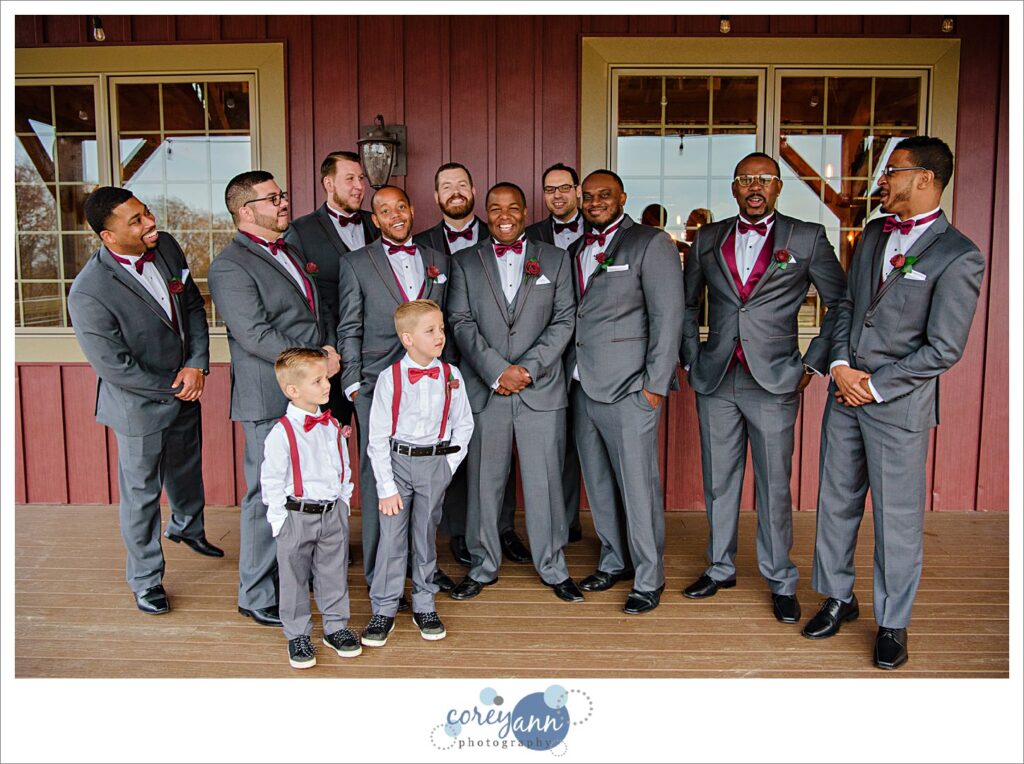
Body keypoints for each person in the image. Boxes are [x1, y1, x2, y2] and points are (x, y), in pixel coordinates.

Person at [804, 136, 985, 670]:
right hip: (845, 393)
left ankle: (892, 622)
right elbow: (847, 305)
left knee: (897, 517)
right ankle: (838, 596)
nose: (882, 180)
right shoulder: (873, 233)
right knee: (835, 502)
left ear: (925, 178)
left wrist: (875, 385)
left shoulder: (960, 255)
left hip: (897, 405)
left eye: (893, 171)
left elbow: (943, 348)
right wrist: (840, 365)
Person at [680, 151, 848, 624]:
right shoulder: (708, 238)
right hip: (716, 377)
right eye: (745, 179)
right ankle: (720, 567)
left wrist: (812, 363)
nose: (755, 186)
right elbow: (687, 303)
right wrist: (691, 357)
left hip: (775, 379)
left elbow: (841, 303)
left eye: (764, 179)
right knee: (718, 481)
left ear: (778, 187)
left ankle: (780, 579)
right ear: (734, 188)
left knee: (774, 485)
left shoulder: (806, 237)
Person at [70, 187, 222, 615]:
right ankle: (146, 580)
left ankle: (187, 528)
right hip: (138, 405)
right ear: (108, 236)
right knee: (141, 495)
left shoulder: (167, 246)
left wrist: (196, 364)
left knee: (187, 468)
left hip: (185, 385)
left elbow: (191, 306)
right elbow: (114, 366)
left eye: (147, 212)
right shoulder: (89, 291)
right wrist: (177, 385)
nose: (149, 222)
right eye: (135, 221)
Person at [208, 170, 340, 627]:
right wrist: (316, 361)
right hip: (269, 395)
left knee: (303, 489)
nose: (284, 202)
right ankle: (256, 592)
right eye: (273, 198)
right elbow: (255, 334)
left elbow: (314, 312)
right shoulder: (229, 266)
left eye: (282, 195)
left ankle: (290, 579)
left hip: (307, 394)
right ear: (246, 211)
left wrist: (327, 347)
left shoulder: (291, 250)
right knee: (268, 495)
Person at [447, 183, 583, 603]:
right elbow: (460, 321)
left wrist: (526, 370)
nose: (504, 216)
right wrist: (496, 371)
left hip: (540, 390)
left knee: (545, 484)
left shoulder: (556, 260)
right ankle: (482, 565)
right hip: (486, 390)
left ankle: (553, 566)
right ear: (486, 213)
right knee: (484, 484)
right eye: (495, 208)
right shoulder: (465, 262)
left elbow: (565, 320)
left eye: (512, 208)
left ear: (525, 211)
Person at [568, 170, 684, 614]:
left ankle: (649, 576)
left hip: (630, 388)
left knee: (638, 488)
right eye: (588, 196)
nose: (595, 202)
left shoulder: (650, 243)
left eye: (605, 195)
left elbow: (668, 317)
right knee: (598, 482)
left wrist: (654, 386)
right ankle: (614, 559)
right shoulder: (577, 249)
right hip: (582, 384)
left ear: (622, 199)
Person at [336, 185, 457, 600]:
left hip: (428, 383)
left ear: (412, 209)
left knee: (427, 477)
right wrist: (353, 381)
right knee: (379, 479)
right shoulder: (356, 263)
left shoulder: (439, 260)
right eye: (385, 211)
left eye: (400, 207)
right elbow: (349, 325)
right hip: (375, 381)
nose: (395, 216)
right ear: (376, 220)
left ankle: (422, 570)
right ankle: (380, 575)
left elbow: (444, 323)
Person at [413, 163, 526, 568]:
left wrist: (499, 366)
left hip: (493, 365)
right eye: (447, 186)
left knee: (500, 452)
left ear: (474, 191)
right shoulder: (421, 243)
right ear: (436, 196)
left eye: (462, 184)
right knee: (458, 451)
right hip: (442, 364)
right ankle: (461, 531)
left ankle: (504, 528)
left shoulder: (498, 230)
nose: (455, 191)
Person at [361, 300, 474, 646]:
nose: (440, 336)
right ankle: (384, 608)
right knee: (392, 539)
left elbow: (464, 425)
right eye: (430, 330)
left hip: (434, 465)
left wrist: (447, 466)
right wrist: (385, 487)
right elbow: (377, 437)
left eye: (441, 329)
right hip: (396, 465)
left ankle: (425, 604)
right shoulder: (390, 378)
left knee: (425, 537)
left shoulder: (451, 375)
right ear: (407, 339)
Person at [261, 348, 360, 669]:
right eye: (317, 381)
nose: (327, 385)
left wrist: (343, 502)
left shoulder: (332, 426)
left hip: (332, 513)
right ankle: (298, 634)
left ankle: (335, 626)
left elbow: (343, 466)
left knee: (333, 572)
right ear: (293, 390)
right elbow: (271, 481)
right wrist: (280, 522)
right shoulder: (281, 433)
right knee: (294, 577)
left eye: (326, 378)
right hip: (296, 516)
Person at [289, 150, 380, 427]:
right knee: (330, 437)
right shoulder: (300, 231)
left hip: (378, 355)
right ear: (328, 183)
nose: (359, 186)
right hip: (330, 359)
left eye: (361, 178)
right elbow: (303, 299)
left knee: (378, 438)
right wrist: (327, 349)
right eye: (350, 179)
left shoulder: (377, 223)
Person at [525, 162, 588, 542]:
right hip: (544, 355)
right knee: (553, 444)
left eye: (565, 188)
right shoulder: (530, 237)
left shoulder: (599, 231)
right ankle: (560, 525)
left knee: (586, 442)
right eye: (550, 189)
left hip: (591, 355)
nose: (558, 195)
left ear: (578, 191)